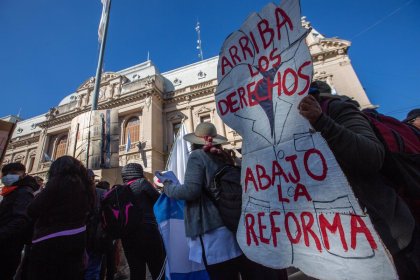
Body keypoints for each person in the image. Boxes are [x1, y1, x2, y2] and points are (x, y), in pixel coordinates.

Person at [299, 81, 419, 279]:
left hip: (391, 239)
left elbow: (371, 157)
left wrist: (321, 122)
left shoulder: (335, 109)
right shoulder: (284, 131)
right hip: (341, 251)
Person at [157, 122, 287, 280]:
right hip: (231, 224)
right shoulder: (224, 156)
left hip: (212, 230)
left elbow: (191, 191)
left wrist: (167, 185)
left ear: (194, 142)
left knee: (221, 273)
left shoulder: (197, 156)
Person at [26, 156, 94, 280]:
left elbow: (32, 210)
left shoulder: (57, 182)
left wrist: (38, 195)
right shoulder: (87, 185)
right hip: (78, 236)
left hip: (51, 239)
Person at [120, 163, 166, 280]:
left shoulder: (120, 190)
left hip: (128, 236)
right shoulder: (142, 183)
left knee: (136, 271)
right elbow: (159, 201)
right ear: (139, 172)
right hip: (148, 232)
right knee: (157, 267)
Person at [0, 162, 38, 280]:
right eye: (5, 174)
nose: (7, 176)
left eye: (12, 174)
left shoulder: (24, 192)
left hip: (8, 247)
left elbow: (21, 219)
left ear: (23, 175)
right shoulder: (12, 191)